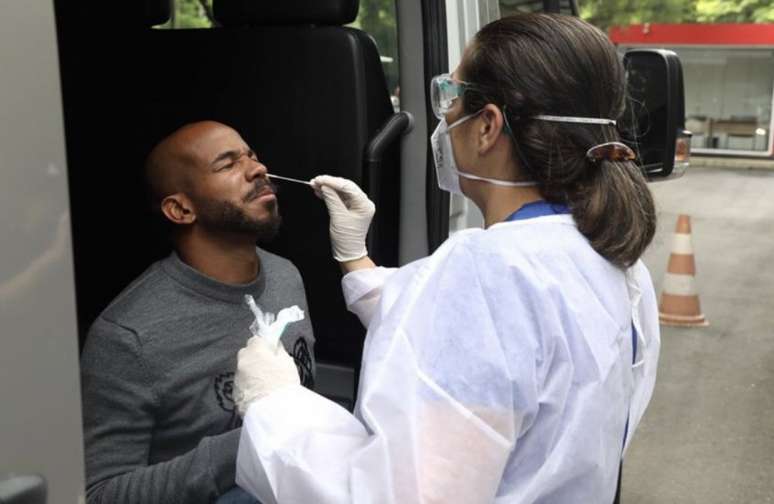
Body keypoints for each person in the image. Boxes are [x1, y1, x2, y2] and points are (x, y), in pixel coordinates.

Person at [233, 13, 660, 503]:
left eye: (449, 95)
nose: (444, 116)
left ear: (487, 127)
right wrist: (356, 258)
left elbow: (393, 496)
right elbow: (498, 352)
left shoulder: (487, 272)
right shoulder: (613, 258)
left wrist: (274, 405)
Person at [79, 121, 316, 504]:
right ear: (180, 208)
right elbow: (100, 494)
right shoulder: (129, 336)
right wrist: (253, 440)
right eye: (227, 165)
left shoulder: (285, 277)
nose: (257, 169)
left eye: (251, 156)